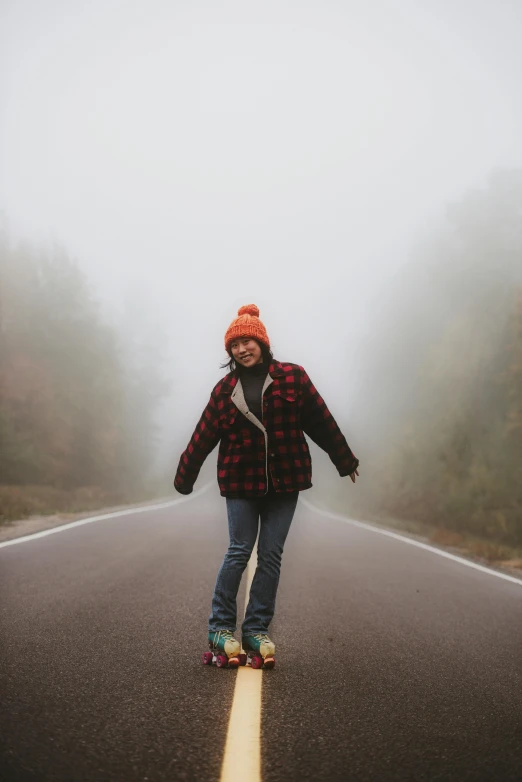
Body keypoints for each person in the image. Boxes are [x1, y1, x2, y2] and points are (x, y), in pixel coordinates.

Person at [174, 304, 359, 668]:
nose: (242, 349)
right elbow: (203, 436)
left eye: (248, 341)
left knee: (271, 555)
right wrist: (185, 476)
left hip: (285, 480)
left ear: (262, 342)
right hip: (240, 482)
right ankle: (220, 628)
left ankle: (256, 629)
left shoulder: (293, 377)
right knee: (240, 550)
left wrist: (344, 459)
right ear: (229, 352)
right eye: (235, 345)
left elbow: (320, 420)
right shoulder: (224, 390)